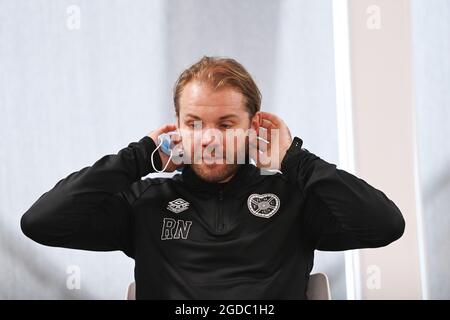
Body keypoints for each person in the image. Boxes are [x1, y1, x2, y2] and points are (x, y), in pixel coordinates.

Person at [21, 56, 405, 299]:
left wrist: (295, 161)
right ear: (177, 128)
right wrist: (139, 157)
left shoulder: (294, 196)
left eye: (225, 124)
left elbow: (385, 225)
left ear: (253, 126)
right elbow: (41, 223)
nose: (208, 138)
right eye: (194, 123)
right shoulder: (145, 201)